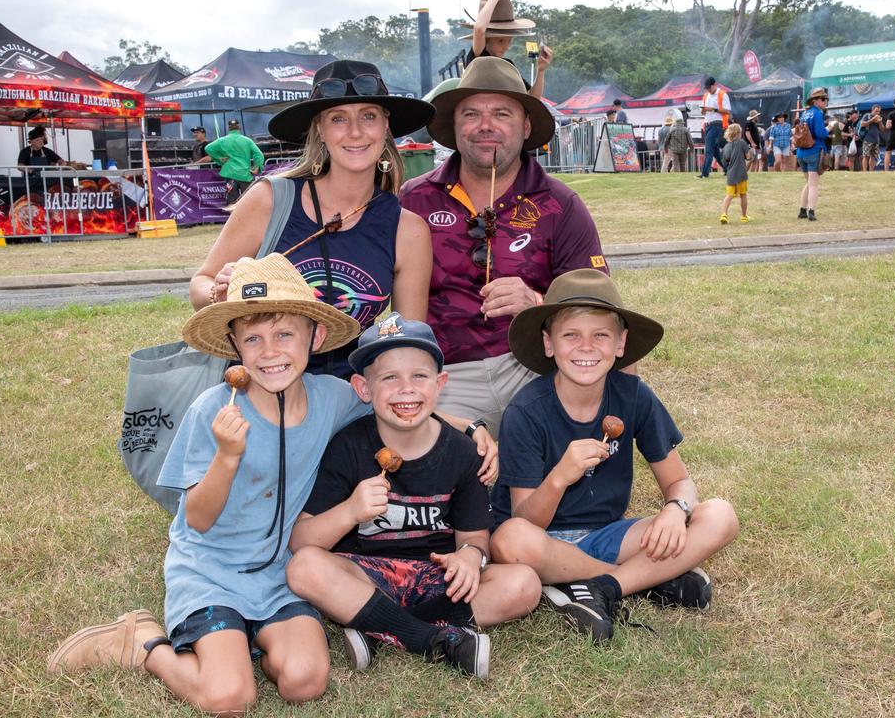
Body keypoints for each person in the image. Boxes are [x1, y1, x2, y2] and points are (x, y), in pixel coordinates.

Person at [47, 254, 371, 711]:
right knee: (228, 698)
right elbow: (195, 519)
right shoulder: (213, 409)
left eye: (284, 334)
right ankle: (142, 644)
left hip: (279, 574)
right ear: (234, 346)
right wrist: (227, 456)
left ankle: (248, 639)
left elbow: (395, 409)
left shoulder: (332, 398)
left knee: (305, 681)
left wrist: (472, 432)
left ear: (315, 336)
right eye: (253, 338)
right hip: (210, 571)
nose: (271, 351)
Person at [488, 269, 738, 644]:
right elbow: (525, 520)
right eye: (571, 335)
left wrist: (675, 510)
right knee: (510, 540)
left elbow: (678, 481)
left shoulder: (634, 395)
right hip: (541, 543)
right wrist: (559, 477)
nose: (586, 347)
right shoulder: (526, 411)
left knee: (719, 516)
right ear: (548, 343)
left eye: (600, 335)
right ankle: (647, 578)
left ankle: (605, 587)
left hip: (607, 534)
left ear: (620, 344)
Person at [286, 314, 540, 680]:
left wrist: (469, 558)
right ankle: (431, 639)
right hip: (367, 577)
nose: (406, 389)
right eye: (389, 378)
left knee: (524, 584)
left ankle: (375, 625)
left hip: (438, 579)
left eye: (419, 376)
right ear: (363, 388)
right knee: (305, 568)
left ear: (440, 384)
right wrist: (350, 511)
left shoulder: (461, 452)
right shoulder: (348, 446)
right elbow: (301, 542)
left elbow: (473, 538)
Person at [400, 56, 608, 434]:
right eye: (471, 114)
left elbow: (600, 309)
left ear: (526, 126)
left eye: (501, 114)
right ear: (454, 125)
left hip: (531, 366)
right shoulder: (413, 200)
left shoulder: (559, 204)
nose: (485, 126)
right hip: (443, 373)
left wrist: (537, 304)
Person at [190, 60, 436, 378]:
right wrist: (218, 294)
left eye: (369, 116)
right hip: (261, 392)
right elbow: (201, 283)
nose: (356, 131)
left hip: (349, 403)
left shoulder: (408, 230)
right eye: (338, 119)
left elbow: (407, 343)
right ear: (319, 128)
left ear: (385, 125)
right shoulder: (270, 199)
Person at [462, 0, 553, 99]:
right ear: (486, 39)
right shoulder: (478, 58)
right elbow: (479, 29)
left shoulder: (508, 67)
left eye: (509, 41)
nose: (506, 46)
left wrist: (541, 70)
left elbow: (532, 98)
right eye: (500, 41)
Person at [205, 118, 264, 205]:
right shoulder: (247, 140)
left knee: (232, 203)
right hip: (245, 174)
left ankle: (235, 218)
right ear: (239, 127)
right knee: (249, 202)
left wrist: (219, 158)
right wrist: (257, 167)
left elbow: (208, 148)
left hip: (230, 175)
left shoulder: (222, 140)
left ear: (229, 128)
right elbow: (259, 154)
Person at [796, 87, 830, 221]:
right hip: (814, 151)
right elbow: (820, 133)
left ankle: (802, 211)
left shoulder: (805, 113)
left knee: (809, 182)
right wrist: (829, 128)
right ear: (815, 101)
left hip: (801, 152)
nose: (825, 101)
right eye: (823, 99)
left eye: (826, 99)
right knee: (814, 184)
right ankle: (811, 211)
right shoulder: (817, 113)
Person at [697, 77, 730, 178]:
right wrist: (704, 110)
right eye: (706, 88)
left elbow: (727, 111)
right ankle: (728, 169)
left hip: (717, 124)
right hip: (707, 124)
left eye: (709, 88)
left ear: (715, 85)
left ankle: (704, 173)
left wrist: (714, 109)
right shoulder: (706, 95)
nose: (708, 90)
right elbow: (702, 111)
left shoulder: (722, 94)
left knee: (708, 150)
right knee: (714, 150)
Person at [719, 123, 751, 224]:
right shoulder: (742, 143)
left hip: (731, 175)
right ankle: (744, 216)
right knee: (743, 195)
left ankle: (724, 214)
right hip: (741, 174)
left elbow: (725, 161)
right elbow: (748, 156)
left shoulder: (726, 147)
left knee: (728, 196)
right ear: (738, 133)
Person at [859, 105, 885, 173]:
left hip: (876, 140)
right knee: (865, 156)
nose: (877, 113)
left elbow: (882, 129)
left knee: (873, 156)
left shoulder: (879, 117)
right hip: (867, 139)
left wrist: (880, 122)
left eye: (879, 111)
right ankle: (865, 171)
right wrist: (872, 120)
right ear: (872, 110)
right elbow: (862, 124)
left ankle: (871, 172)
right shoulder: (867, 115)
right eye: (876, 111)